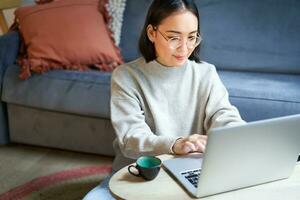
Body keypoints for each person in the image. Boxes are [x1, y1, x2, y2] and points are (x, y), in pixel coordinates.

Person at [83, 0, 245, 199]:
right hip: (138, 174)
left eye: (192, 37)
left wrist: (240, 135)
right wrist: (176, 144)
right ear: (152, 33)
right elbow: (131, 138)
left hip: (191, 171)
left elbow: (224, 114)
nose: (184, 48)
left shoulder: (206, 73)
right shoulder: (126, 76)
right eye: (173, 38)